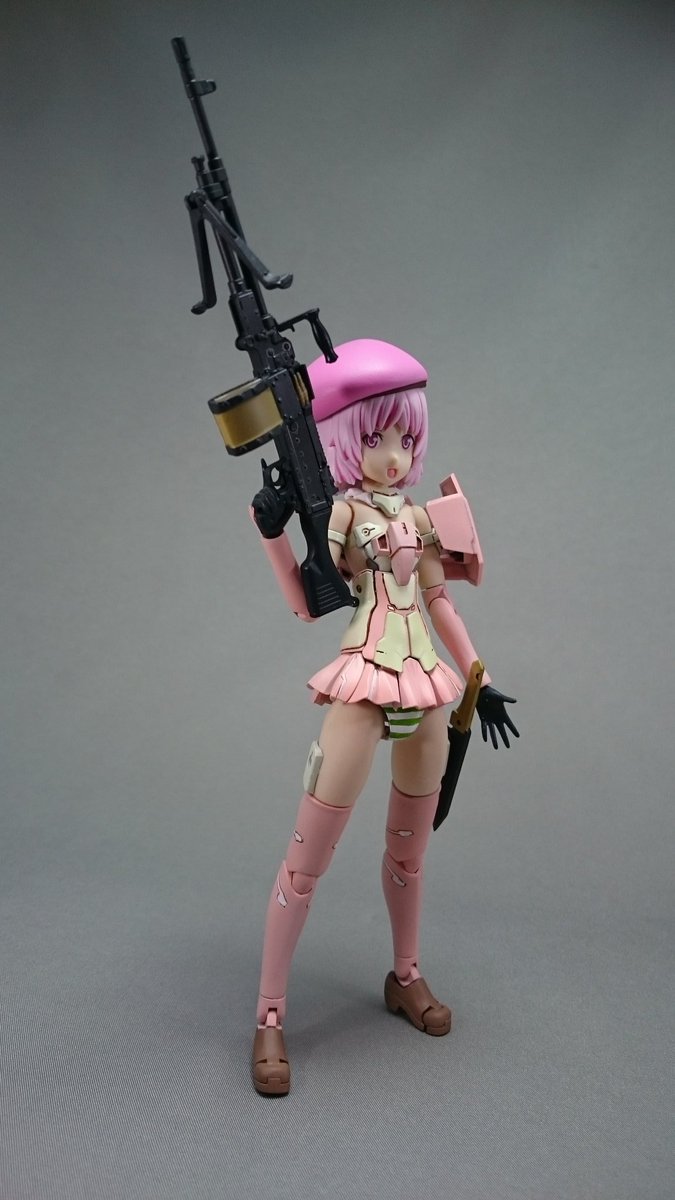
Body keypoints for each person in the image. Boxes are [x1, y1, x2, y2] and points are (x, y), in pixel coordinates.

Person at [250, 339, 518, 1095]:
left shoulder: (423, 518)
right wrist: (271, 532)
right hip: (364, 683)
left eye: (404, 437)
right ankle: (269, 1014)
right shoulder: (339, 512)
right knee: (307, 860)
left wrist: (480, 678)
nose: (394, 455)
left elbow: (439, 600)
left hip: (425, 687)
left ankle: (405, 974)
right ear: (343, 442)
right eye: (376, 438)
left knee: (410, 853)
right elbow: (308, 604)